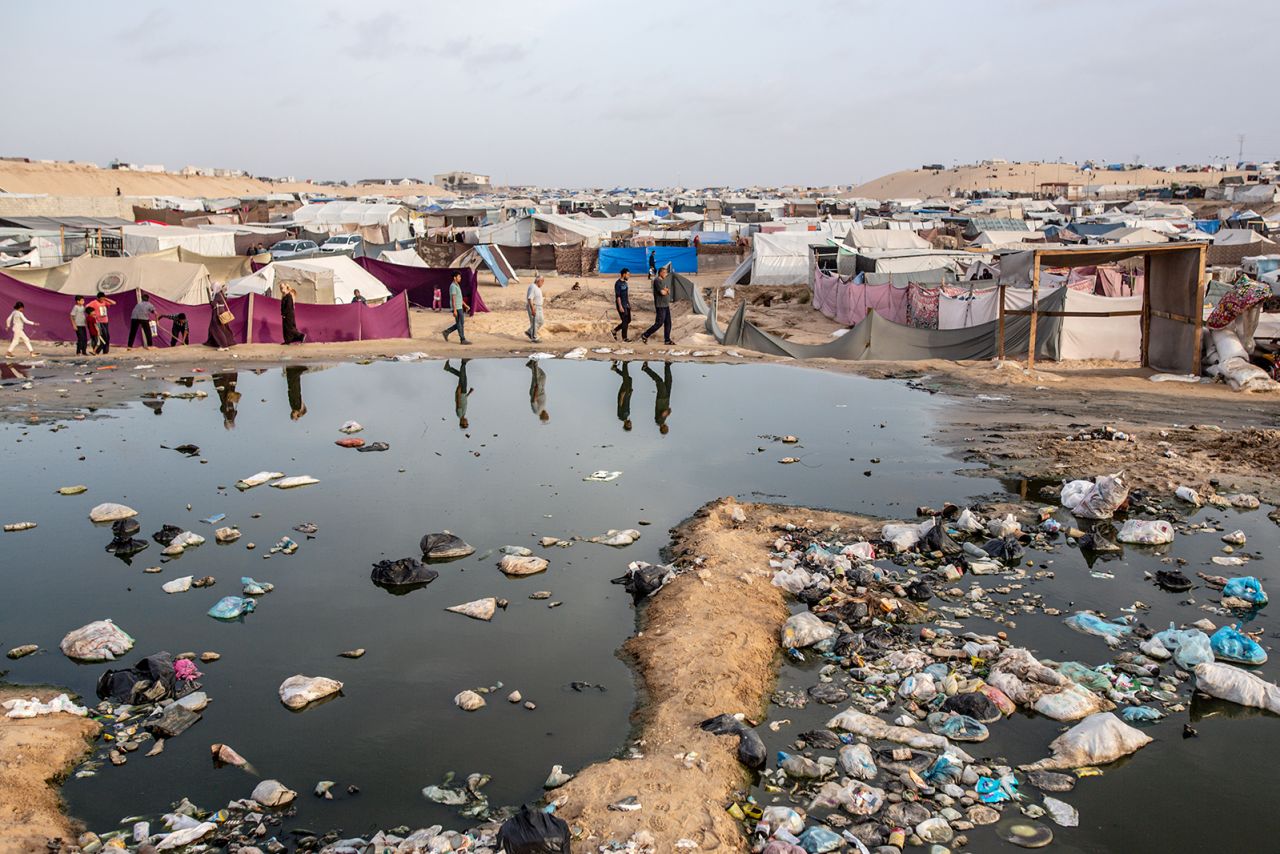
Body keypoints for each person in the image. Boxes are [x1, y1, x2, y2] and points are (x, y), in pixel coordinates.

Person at [640, 266, 673, 345]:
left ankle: (667, 340)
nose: (666, 274)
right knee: (659, 323)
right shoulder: (657, 281)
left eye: (666, 273)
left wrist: (666, 290)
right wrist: (666, 291)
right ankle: (645, 335)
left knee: (668, 323)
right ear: (661, 273)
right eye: (665, 272)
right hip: (660, 305)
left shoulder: (664, 281)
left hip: (666, 305)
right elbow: (662, 292)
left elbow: (668, 291)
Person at [643, 360, 673, 435]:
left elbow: (663, 413)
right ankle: (667, 365)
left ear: (663, 428)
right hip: (666, 399)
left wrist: (668, 412)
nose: (667, 427)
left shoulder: (659, 421)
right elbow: (664, 413)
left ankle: (645, 368)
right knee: (668, 381)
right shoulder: (661, 421)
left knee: (659, 381)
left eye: (666, 429)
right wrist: (667, 412)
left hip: (661, 399)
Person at [442, 272, 471, 344]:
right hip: (456, 308)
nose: (460, 278)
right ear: (454, 278)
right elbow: (453, 299)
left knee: (461, 323)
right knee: (459, 323)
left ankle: (446, 332)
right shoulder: (453, 286)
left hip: (460, 307)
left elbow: (459, 298)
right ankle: (462, 339)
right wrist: (454, 310)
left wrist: (465, 305)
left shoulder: (457, 285)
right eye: (459, 277)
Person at [444, 359, 473, 429]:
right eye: (467, 423)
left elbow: (458, 402)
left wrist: (458, 392)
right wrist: (469, 393)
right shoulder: (463, 414)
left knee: (463, 377)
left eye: (465, 423)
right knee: (462, 376)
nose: (467, 422)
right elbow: (464, 401)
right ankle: (448, 368)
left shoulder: (459, 415)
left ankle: (463, 362)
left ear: (461, 422)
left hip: (461, 392)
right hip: (464, 392)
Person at [205, 284, 235, 350]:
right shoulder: (221, 294)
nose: (211, 289)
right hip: (221, 311)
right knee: (219, 328)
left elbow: (213, 304)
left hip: (217, 313)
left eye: (212, 288)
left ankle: (224, 345)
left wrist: (210, 301)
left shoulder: (217, 295)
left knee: (217, 329)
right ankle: (215, 343)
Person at [612, 268, 632, 342]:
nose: (629, 276)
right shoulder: (618, 283)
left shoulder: (625, 283)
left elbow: (626, 295)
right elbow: (618, 296)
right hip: (621, 304)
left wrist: (628, 304)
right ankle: (624, 338)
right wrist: (620, 306)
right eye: (628, 274)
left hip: (626, 304)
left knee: (628, 320)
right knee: (625, 321)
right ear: (624, 274)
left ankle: (614, 330)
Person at [611, 360, 633, 431]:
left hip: (622, 395)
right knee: (629, 379)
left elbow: (620, 405)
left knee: (626, 379)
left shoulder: (621, 417)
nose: (630, 424)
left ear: (625, 425)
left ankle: (625, 363)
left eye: (628, 425)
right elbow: (628, 402)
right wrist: (630, 394)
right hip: (627, 394)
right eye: (630, 425)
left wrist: (622, 395)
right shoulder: (627, 415)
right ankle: (615, 369)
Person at [525, 274, 545, 343]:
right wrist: (532, 309)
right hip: (534, 306)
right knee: (535, 322)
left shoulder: (537, 288)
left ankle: (530, 331)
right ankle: (534, 338)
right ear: (538, 281)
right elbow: (530, 299)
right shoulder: (532, 287)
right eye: (542, 282)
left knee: (541, 321)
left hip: (539, 307)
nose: (542, 283)